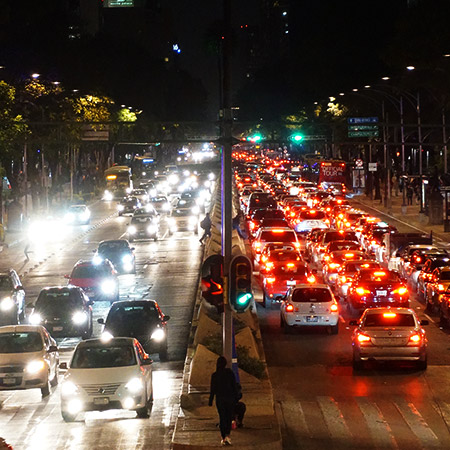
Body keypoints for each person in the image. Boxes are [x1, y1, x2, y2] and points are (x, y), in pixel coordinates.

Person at [209, 356, 238, 446]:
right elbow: (234, 386)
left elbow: (212, 389)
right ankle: (228, 435)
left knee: (222, 417)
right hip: (230, 399)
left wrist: (210, 400)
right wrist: (236, 398)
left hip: (220, 399)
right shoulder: (230, 373)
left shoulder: (215, 375)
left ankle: (223, 437)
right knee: (229, 417)